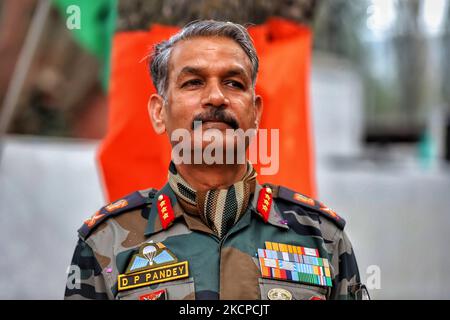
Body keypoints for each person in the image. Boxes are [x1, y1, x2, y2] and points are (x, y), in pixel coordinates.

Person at [64, 20, 365, 300]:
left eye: (234, 83)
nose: (217, 97)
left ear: (256, 113)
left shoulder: (322, 239)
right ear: (159, 113)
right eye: (193, 82)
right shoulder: (105, 241)